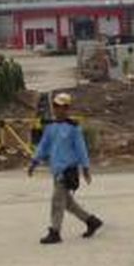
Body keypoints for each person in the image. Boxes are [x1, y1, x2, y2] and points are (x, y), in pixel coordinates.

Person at [27, 93, 103, 244]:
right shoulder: (50, 127)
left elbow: (81, 149)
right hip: (56, 171)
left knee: (57, 201)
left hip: (67, 171)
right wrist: (34, 162)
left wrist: (85, 168)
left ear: (67, 109)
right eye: (57, 107)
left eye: (63, 107)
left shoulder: (73, 129)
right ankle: (91, 221)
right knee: (67, 203)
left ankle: (55, 231)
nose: (59, 110)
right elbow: (43, 146)